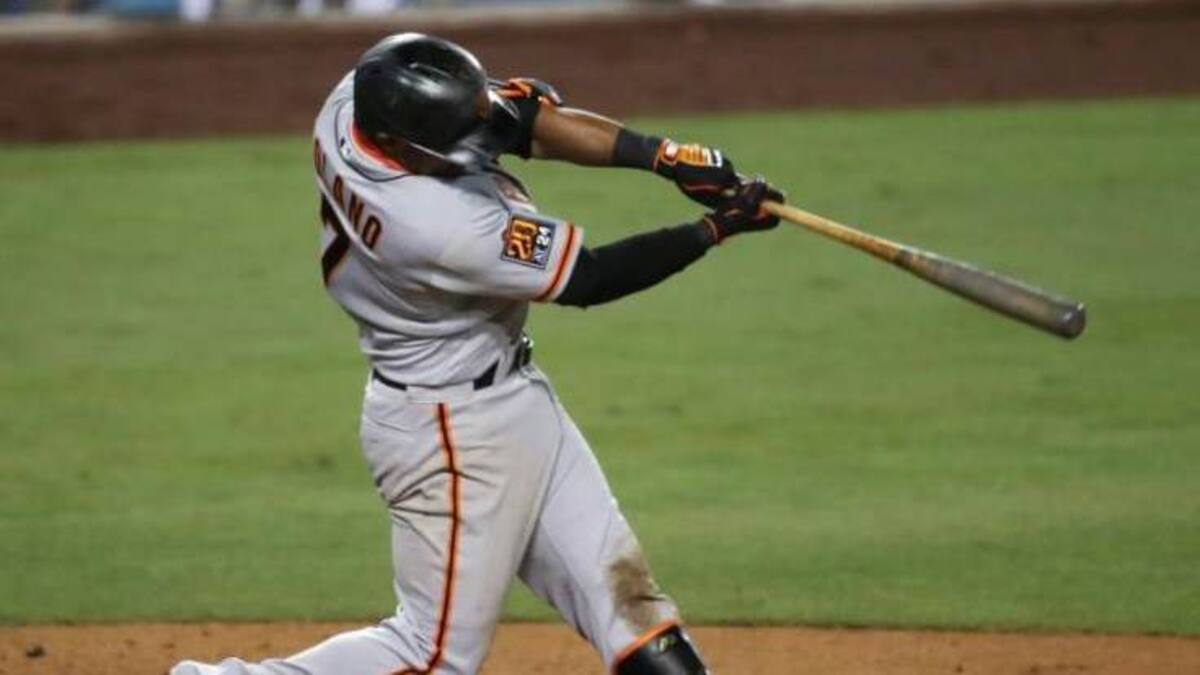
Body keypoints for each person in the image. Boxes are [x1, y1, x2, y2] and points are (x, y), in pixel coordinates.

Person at [171, 32, 783, 675]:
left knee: (628, 609)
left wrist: (667, 156)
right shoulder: (433, 226)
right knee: (430, 655)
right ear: (401, 146)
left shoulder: (354, 101)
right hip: (451, 432)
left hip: (514, 402)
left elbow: (520, 119)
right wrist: (715, 228)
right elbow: (590, 278)